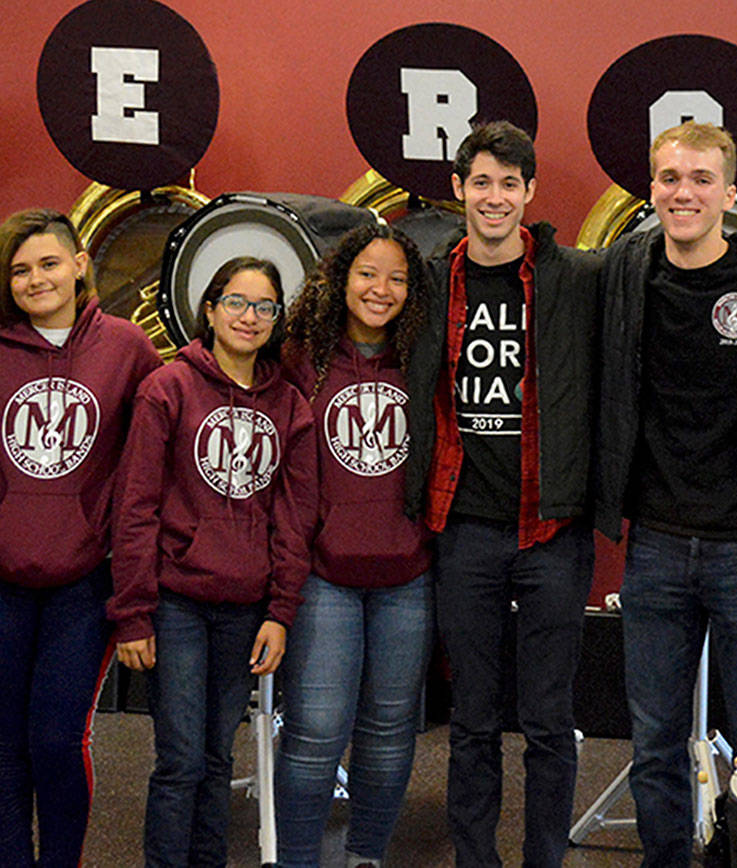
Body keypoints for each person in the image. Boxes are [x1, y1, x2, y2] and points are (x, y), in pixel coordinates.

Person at [593, 121, 737, 866]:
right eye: (668, 178)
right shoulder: (624, 270)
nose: (682, 192)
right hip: (655, 543)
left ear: (730, 192)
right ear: (650, 187)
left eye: (699, 179)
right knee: (654, 735)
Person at [403, 121, 600, 868]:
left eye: (509, 184)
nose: (494, 198)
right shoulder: (428, 279)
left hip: (550, 530)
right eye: (480, 182)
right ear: (457, 190)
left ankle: (545, 857)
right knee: (473, 722)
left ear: (530, 193)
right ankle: (474, 860)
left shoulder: (571, 278)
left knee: (549, 721)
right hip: (465, 529)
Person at [109, 257, 316, 867]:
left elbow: (293, 518)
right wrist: (133, 614)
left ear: (277, 319)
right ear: (209, 309)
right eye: (236, 302)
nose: (249, 318)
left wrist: (281, 611)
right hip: (176, 603)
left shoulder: (289, 404)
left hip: (246, 606)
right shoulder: (167, 388)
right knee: (179, 759)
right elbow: (136, 505)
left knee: (219, 758)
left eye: (264, 307)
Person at [0, 208, 160, 867]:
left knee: (59, 740)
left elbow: (160, 454)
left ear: (79, 264)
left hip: (84, 581)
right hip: (3, 581)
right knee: (5, 744)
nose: (36, 279)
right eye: (19, 270)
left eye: (47, 262)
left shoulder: (126, 348)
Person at [275, 224, 435, 867]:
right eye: (368, 273)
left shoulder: (426, 358)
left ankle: (366, 856)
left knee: (389, 734)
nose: (381, 290)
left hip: (408, 575)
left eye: (398, 278)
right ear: (340, 279)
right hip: (323, 576)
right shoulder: (298, 358)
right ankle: (296, 861)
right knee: (314, 735)